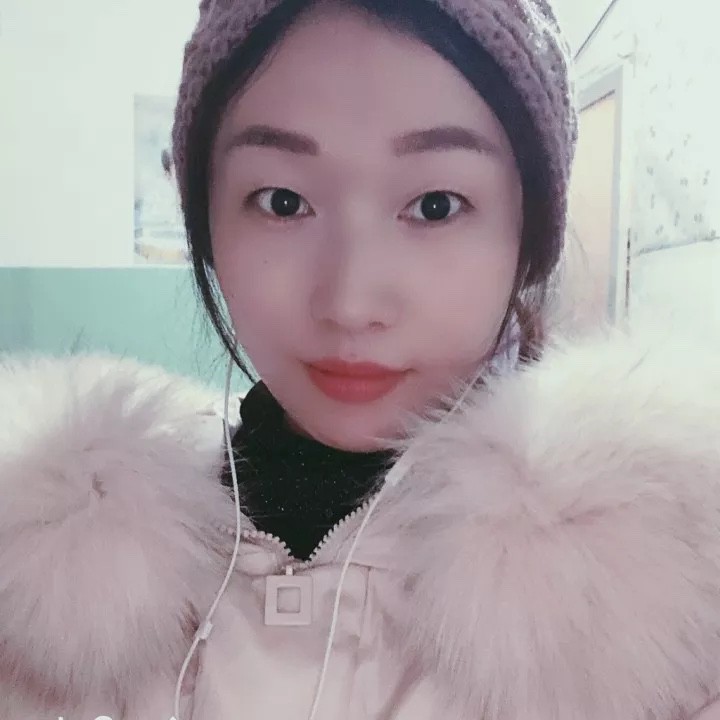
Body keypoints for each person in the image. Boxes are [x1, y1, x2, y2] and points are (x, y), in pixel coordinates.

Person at [2, 1, 720, 718]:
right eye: (282, 201)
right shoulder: (35, 590)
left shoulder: (672, 605)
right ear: (208, 222)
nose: (349, 303)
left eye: (435, 205)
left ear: (527, 236)